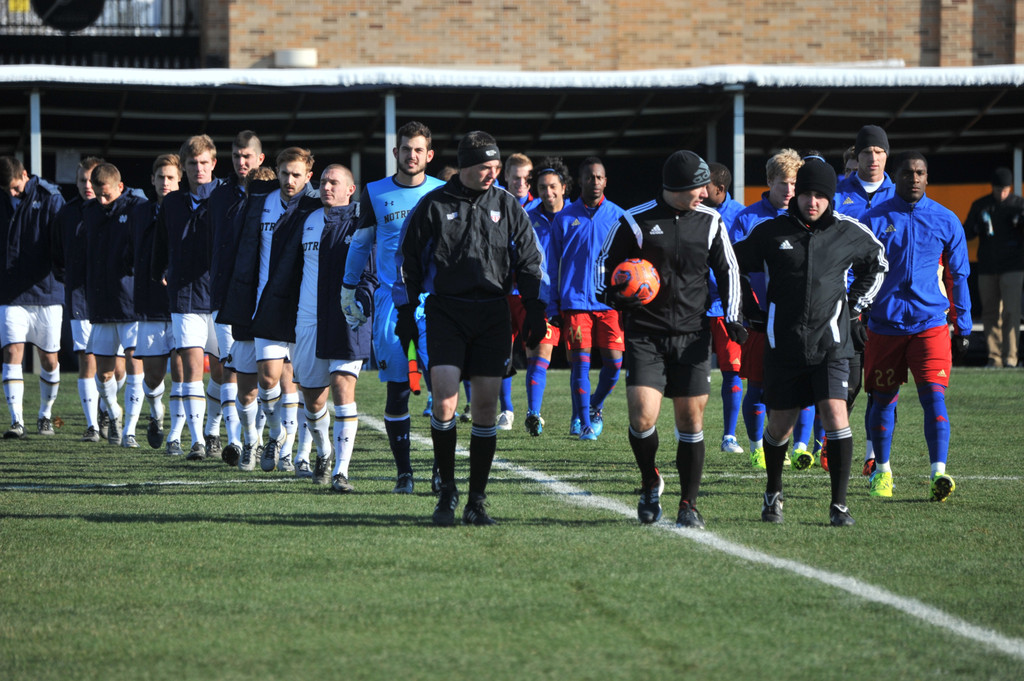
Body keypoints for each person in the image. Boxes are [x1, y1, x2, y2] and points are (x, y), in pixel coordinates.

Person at [394, 130, 548, 526]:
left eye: (497, 168)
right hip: (447, 312)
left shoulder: (507, 204)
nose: (492, 175)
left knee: (484, 408)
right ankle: (447, 490)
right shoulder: (432, 205)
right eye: (486, 168)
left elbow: (530, 258)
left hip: (493, 314)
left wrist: (533, 307)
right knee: (444, 400)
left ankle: (476, 500)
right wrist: (407, 312)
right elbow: (407, 262)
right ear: (465, 165)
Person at [733, 157, 888, 527]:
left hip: (832, 345)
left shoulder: (848, 231)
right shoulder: (771, 232)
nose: (812, 202)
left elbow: (878, 262)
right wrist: (749, 312)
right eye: (806, 194)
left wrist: (854, 308)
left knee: (835, 415)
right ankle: (773, 492)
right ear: (796, 195)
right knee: (780, 427)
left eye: (820, 195)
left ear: (830, 198)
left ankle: (839, 506)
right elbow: (731, 264)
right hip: (784, 345)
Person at [597, 150, 745, 528]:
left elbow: (729, 270)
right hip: (646, 335)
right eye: (698, 187)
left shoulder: (711, 222)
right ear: (677, 188)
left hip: (693, 335)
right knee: (642, 417)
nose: (705, 193)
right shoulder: (635, 220)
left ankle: (688, 504)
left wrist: (733, 318)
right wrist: (611, 293)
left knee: (691, 421)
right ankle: (650, 479)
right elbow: (603, 266)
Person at [861, 152, 972, 501]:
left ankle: (939, 473)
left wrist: (962, 323)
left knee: (934, 398)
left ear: (927, 177)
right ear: (896, 177)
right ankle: (882, 472)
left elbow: (958, 275)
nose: (914, 178)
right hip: (884, 325)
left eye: (920, 173)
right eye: (908, 173)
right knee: (882, 401)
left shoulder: (946, 219)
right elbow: (857, 272)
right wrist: (857, 314)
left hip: (930, 324)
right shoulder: (873, 218)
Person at [341, 121, 444, 494]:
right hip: (390, 303)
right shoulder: (375, 192)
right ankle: (405, 474)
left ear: (428, 155)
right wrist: (348, 288)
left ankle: (439, 470)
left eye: (419, 149)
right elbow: (360, 243)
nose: (411, 155)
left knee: (442, 387)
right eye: (406, 148)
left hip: (434, 304)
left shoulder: (443, 193)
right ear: (395, 152)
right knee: (398, 389)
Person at [260, 164, 373, 488]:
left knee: (341, 386)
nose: (327, 187)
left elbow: (371, 271)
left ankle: (341, 471)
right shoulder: (304, 221)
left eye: (334, 182)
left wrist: (361, 304)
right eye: (323, 181)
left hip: (347, 320)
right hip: (307, 322)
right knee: (313, 400)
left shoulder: (362, 224)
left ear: (350, 189)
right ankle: (323, 450)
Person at [220, 147, 318, 473]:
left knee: (296, 382)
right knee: (259, 382)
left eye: (296, 175)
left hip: (301, 309)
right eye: (285, 173)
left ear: (309, 176)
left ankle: (291, 450)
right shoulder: (260, 202)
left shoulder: (317, 207)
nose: (289, 181)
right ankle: (262, 438)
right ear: (276, 171)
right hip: (257, 305)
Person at [731, 149, 814, 469]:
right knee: (759, 384)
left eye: (795, 184)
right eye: (784, 184)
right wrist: (746, 307)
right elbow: (734, 268)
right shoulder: (747, 218)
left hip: (799, 318)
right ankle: (756, 447)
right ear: (769, 182)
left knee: (804, 383)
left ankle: (800, 447)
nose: (790, 191)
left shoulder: (807, 216)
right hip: (760, 318)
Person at [150, 134, 223, 459]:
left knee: (222, 371)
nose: (198, 168)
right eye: (192, 163)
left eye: (204, 162)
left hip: (220, 297)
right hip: (184, 297)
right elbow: (161, 244)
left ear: (213, 164)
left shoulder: (225, 196)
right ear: (185, 167)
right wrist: (160, 270)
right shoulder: (173, 203)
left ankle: (212, 431)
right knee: (193, 367)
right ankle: (196, 441)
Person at [834, 125, 897, 476]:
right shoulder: (837, 193)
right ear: (855, 157)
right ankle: (833, 436)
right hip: (846, 304)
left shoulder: (899, 193)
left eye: (879, 152)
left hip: (888, 306)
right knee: (851, 382)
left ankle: (874, 456)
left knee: (882, 385)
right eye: (866, 152)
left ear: (887, 155)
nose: (873, 158)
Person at [554, 157, 625, 440]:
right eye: (589, 177)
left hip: (608, 303)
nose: (594, 182)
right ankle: (584, 423)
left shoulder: (619, 216)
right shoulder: (564, 218)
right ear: (579, 181)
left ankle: (594, 406)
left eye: (599, 177)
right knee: (580, 363)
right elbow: (551, 265)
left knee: (614, 364)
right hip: (574, 303)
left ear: (605, 181)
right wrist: (551, 302)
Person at [207, 130, 266, 464]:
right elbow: (211, 245)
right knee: (231, 366)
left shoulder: (273, 193)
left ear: (260, 158)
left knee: (265, 372)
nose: (241, 163)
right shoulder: (219, 196)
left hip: (264, 298)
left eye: (247, 156)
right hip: (226, 297)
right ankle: (236, 442)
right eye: (236, 156)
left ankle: (258, 439)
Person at [81, 162, 148, 447]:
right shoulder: (90, 212)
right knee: (104, 371)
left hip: (131, 303)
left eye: (106, 194)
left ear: (120, 187)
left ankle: (130, 430)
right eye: (97, 194)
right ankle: (114, 412)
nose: (101, 200)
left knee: (135, 365)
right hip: (101, 303)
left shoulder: (136, 208)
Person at [0, 155, 65, 439]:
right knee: (12, 352)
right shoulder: (2, 198)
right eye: (8, 191)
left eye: (15, 187)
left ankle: (45, 415)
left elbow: (61, 243)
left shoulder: (50, 197)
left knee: (49, 359)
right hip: (10, 291)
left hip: (47, 291)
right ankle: (17, 421)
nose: (13, 194)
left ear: (25, 174)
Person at [131, 154, 186, 452]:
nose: (165, 182)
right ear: (152, 181)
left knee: (180, 372)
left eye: (171, 178)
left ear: (179, 181)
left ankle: (176, 437)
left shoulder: (188, 210)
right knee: (152, 377)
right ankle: (156, 414)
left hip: (182, 303)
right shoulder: (140, 213)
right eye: (160, 177)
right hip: (150, 305)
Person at [52, 155, 109, 442]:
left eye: (92, 180)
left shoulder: (119, 209)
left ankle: (107, 410)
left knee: (115, 365)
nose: (88, 186)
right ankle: (92, 425)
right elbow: (57, 255)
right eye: (82, 180)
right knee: (87, 358)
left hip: (114, 299)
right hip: (80, 299)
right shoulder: (67, 213)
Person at [523, 157, 571, 435]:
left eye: (553, 186)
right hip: (542, 297)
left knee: (581, 361)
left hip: (576, 299)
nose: (548, 192)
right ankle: (533, 413)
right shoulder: (527, 218)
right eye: (542, 187)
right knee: (539, 354)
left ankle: (584, 416)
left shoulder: (576, 216)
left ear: (563, 187)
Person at [702, 161, 747, 456]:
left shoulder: (740, 217)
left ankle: (729, 436)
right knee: (693, 372)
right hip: (693, 305)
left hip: (725, 306)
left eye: (704, 187)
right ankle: (690, 431)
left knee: (733, 371)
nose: (699, 193)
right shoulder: (693, 211)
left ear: (719, 189)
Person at [963, 167, 1024, 369]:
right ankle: (994, 357)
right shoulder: (981, 205)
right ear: (993, 188)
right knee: (990, 313)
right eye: (999, 189)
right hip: (987, 267)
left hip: (1013, 267)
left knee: (1011, 312)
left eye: (1006, 189)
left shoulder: (1019, 205)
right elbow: (967, 232)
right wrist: (976, 226)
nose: (1002, 193)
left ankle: (1011, 358)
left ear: (1010, 188)